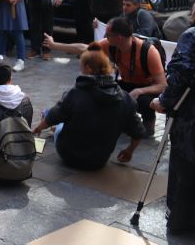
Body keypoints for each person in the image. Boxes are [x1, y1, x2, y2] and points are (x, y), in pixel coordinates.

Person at [44, 16, 166, 136]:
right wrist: (54, 45)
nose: (105, 37)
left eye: (107, 35)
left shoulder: (148, 52)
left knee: (144, 101)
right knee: (99, 92)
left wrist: (140, 90)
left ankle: (148, 122)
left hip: (147, 88)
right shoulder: (110, 44)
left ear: (118, 38)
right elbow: (83, 48)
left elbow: (162, 85)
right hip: (126, 83)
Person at [32, 42, 145, 170]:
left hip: (68, 154)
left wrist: (38, 128)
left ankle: (52, 127)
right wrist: (129, 151)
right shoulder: (126, 99)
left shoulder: (76, 92)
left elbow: (55, 115)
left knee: (53, 116)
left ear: (88, 68)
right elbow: (138, 132)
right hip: (98, 160)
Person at [150, 27, 195, 234]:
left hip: (189, 115)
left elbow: (179, 73)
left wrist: (164, 101)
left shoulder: (191, 35)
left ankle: (180, 219)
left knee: (185, 164)